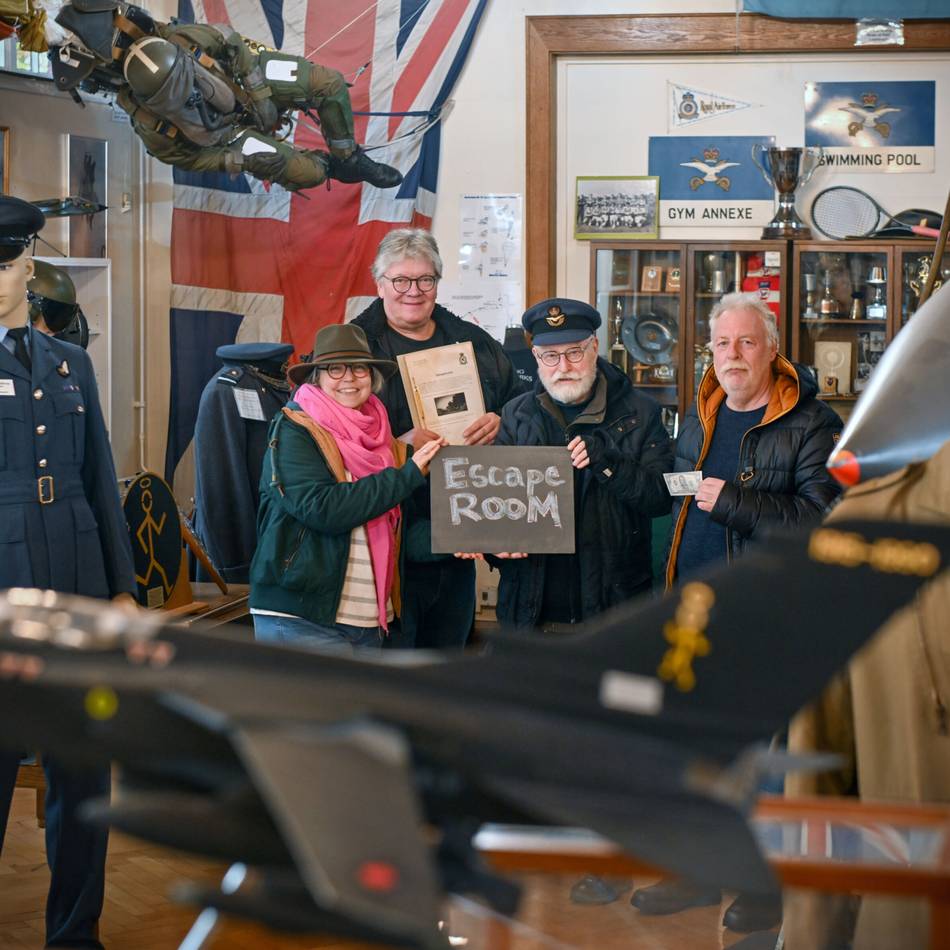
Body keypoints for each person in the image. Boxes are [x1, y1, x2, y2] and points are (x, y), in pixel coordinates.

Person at [632, 291, 843, 931]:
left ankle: (767, 883)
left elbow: (822, 520)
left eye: (746, 342)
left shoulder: (812, 423)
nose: (732, 355)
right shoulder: (700, 415)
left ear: (772, 349)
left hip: (767, 613)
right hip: (694, 609)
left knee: (763, 758)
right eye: (722, 343)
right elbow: (680, 489)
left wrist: (733, 505)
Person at [0, 196, 137, 949]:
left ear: (27, 267)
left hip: (78, 583)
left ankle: (77, 933)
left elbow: (97, 476)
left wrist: (121, 588)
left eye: (7, 263)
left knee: (83, 776)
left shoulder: (69, 361)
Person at [351, 228, 523, 649]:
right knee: (393, 670)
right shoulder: (354, 348)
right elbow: (330, 434)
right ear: (379, 285)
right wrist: (396, 443)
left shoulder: (474, 342)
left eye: (425, 280)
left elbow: (523, 406)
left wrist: (501, 420)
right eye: (401, 281)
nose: (414, 291)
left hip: (459, 528)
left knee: (450, 660)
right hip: (386, 536)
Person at [249, 323, 444, 651]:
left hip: (368, 619)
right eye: (335, 369)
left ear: (372, 375)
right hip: (301, 616)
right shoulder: (294, 429)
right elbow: (322, 508)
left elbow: (400, 531)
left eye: (358, 368)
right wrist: (407, 474)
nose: (349, 378)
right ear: (318, 377)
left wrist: (465, 535)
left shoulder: (383, 440)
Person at [485, 298, 672, 632]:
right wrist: (496, 548)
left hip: (613, 613)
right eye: (550, 356)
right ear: (536, 357)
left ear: (594, 347)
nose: (563, 367)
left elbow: (660, 498)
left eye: (574, 352)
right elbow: (499, 511)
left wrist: (607, 461)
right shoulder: (515, 414)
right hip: (530, 613)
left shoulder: (641, 413)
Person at [117, 24, 402, 191]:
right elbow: (187, 159)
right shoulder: (149, 124)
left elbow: (231, 41)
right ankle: (331, 167)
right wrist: (240, 162)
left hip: (242, 81)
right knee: (308, 174)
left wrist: (261, 95)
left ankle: (349, 158)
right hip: (227, 136)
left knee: (328, 83)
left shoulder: (184, 39)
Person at [193, 342, 294, 584]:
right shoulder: (226, 391)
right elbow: (222, 482)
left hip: (278, 541)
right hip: (242, 552)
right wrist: (237, 564)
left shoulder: (278, 388)